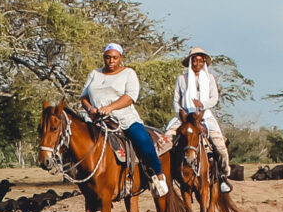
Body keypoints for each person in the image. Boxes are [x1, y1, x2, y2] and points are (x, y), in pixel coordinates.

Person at [82, 42, 166, 196]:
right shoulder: (94, 74)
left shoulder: (128, 73)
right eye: (108, 58)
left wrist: (110, 107)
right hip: (97, 120)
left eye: (115, 58)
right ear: (104, 58)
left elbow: (130, 97)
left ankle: (157, 174)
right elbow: (84, 97)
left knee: (143, 139)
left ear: (120, 58)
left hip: (124, 119)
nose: (111, 61)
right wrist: (90, 109)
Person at [165, 46, 232, 194]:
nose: (197, 64)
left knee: (219, 146)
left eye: (200, 61)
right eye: (194, 61)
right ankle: (164, 176)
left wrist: (203, 105)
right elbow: (176, 100)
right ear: (190, 62)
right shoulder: (181, 79)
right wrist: (181, 112)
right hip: (184, 117)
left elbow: (214, 98)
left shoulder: (210, 79)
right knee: (164, 142)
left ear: (204, 63)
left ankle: (223, 176)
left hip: (204, 116)